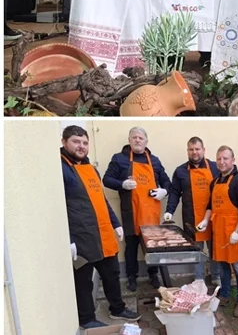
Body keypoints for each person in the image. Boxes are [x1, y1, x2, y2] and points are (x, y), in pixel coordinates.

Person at [61, 126, 140, 329]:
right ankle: (87, 319)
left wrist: (115, 224)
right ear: (64, 142)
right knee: (84, 281)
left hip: (103, 233)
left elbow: (102, 200)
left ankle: (117, 308)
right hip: (82, 237)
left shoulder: (91, 168)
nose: (81, 146)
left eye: (85, 142)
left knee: (112, 274)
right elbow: (57, 207)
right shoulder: (60, 169)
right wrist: (67, 238)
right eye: (76, 142)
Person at [102, 126, 170, 292]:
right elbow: (106, 179)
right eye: (134, 137)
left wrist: (164, 191)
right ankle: (132, 277)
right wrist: (122, 184)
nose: (137, 140)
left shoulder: (154, 161)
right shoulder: (119, 159)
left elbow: (167, 182)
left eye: (141, 138)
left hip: (151, 214)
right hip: (131, 213)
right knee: (131, 248)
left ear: (146, 141)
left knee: (153, 247)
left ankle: (153, 274)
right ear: (129, 140)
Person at [196, 146, 238, 317]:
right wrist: (205, 221)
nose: (222, 162)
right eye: (219, 158)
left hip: (233, 233)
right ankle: (226, 295)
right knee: (222, 266)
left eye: (225, 158)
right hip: (218, 231)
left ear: (233, 160)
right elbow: (210, 206)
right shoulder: (214, 182)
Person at [164, 136, 219, 285]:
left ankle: (216, 276)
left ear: (203, 150)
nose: (194, 152)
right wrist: (170, 210)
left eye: (197, 149)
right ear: (187, 151)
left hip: (213, 217)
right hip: (192, 218)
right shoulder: (180, 171)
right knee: (196, 251)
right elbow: (175, 192)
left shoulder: (215, 168)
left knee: (215, 250)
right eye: (191, 149)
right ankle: (199, 278)